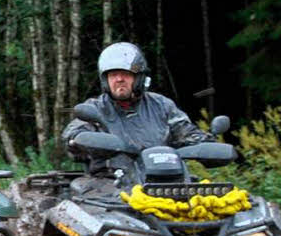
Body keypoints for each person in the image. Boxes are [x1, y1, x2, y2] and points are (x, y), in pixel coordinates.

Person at [63, 42, 212, 171]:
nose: (119, 79)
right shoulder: (94, 109)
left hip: (163, 179)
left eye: (125, 73)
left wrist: (205, 145)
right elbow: (74, 134)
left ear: (139, 77)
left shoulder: (162, 105)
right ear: (105, 79)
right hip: (110, 182)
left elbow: (187, 133)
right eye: (113, 74)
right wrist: (79, 141)